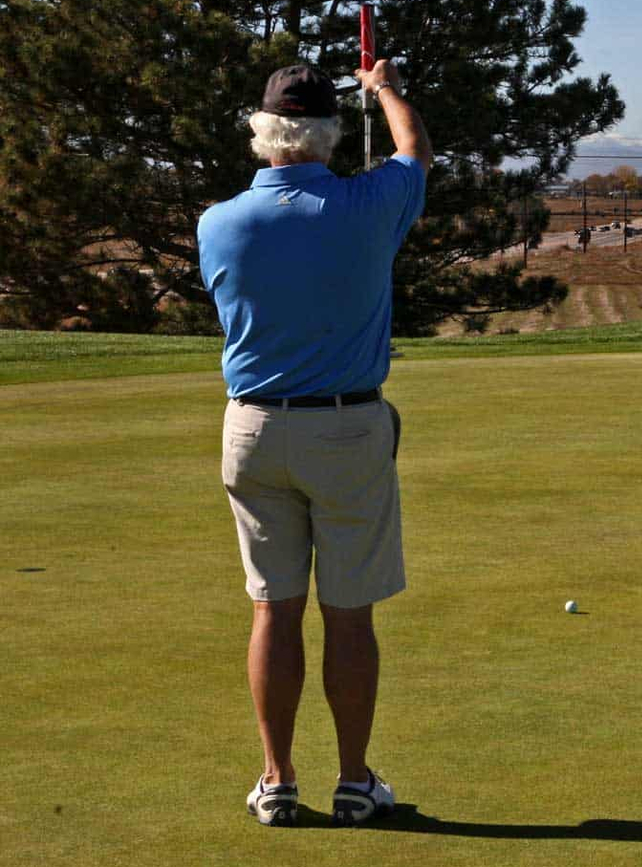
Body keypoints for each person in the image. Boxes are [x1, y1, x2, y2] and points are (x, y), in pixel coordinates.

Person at [197, 61, 432, 827]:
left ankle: (277, 780)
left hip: (254, 428)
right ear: (329, 136)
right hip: (347, 425)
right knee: (349, 613)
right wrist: (386, 87)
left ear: (262, 132)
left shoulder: (218, 222)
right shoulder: (370, 205)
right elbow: (413, 153)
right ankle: (356, 782)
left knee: (274, 609)